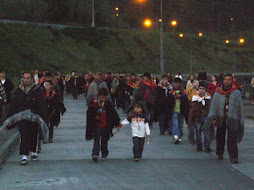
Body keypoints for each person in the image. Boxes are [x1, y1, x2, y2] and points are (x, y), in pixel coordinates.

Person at [7, 72, 48, 165]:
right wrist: (10, 119)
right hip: (22, 118)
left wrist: (44, 118)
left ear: (32, 79)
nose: (26, 80)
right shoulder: (19, 91)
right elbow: (13, 105)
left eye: (28, 78)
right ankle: (24, 155)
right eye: (24, 78)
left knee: (34, 134)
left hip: (34, 117)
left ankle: (33, 152)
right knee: (24, 134)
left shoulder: (37, 90)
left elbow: (42, 105)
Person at [205, 74, 244, 164]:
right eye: (225, 79)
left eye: (229, 79)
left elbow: (240, 107)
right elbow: (214, 106)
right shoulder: (218, 92)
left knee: (232, 138)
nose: (227, 81)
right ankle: (220, 153)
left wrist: (239, 120)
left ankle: (233, 156)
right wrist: (213, 118)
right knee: (220, 137)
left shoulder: (236, 92)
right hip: (221, 117)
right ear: (223, 81)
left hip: (232, 118)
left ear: (232, 81)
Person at [85, 88, 121, 162]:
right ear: (98, 96)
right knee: (96, 140)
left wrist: (117, 123)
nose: (103, 99)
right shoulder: (93, 103)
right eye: (102, 97)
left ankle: (104, 153)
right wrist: (95, 116)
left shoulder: (108, 103)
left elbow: (113, 113)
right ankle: (95, 154)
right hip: (97, 125)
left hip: (106, 125)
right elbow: (89, 114)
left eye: (105, 97)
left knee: (105, 140)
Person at [188, 82, 211, 152]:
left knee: (206, 131)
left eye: (203, 89)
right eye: (200, 88)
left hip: (205, 116)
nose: (201, 90)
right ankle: (199, 145)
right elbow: (192, 109)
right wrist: (190, 119)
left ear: (205, 90)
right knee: (198, 131)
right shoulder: (195, 98)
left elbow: (210, 108)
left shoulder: (208, 98)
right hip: (197, 117)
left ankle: (207, 146)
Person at [169, 78, 189, 144]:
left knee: (180, 124)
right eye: (174, 83)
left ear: (180, 84)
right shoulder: (171, 92)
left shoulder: (183, 92)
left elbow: (186, 103)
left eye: (177, 83)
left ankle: (180, 136)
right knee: (175, 124)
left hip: (181, 111)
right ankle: (176, 136)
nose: (176, 85)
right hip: (174, 110)